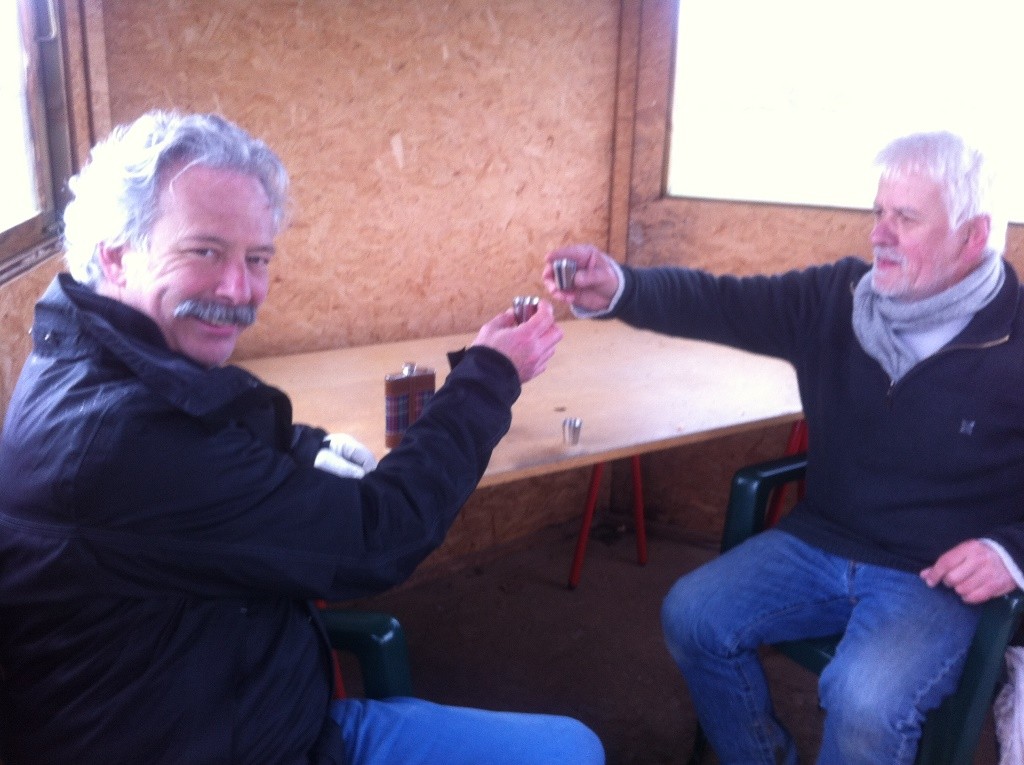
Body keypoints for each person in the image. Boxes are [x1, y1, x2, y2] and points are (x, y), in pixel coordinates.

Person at [0, 110, 605, 765]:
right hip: (239, 743)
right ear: (117, 257)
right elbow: (381, 536)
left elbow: (219, 420)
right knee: (571, 752)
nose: (239, 289)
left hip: (232, 707)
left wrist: (306, 446)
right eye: (205, 251)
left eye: (257, 258)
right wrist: (491, 375)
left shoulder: (95, 359)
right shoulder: (119, 439)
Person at [543, 131, 1022, 764]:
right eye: (878, 212)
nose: (879, 234)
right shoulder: (834, 299)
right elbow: (720, 302)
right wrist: (622, 288)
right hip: (822, 538)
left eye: (906, 218)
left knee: (865, 700)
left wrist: (1011, 551)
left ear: (972, 235)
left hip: (933, 572)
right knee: (694, 616)